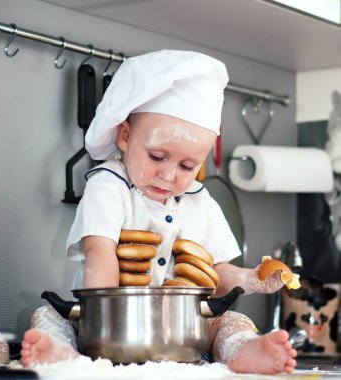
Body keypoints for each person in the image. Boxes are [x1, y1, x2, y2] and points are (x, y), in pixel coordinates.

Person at [21, 50, 297, 374]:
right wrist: (110, 326)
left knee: (231, 321)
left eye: (186, 165)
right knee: (51, 315)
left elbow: (217, 270)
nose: (168, 175)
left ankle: (243, 350)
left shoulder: (200, 200)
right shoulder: (109, 186)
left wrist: (252, 280)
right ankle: (60, 352)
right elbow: (100, 252)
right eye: (156, 157)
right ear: (125, 137)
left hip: (185, 330)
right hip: (111, 321)